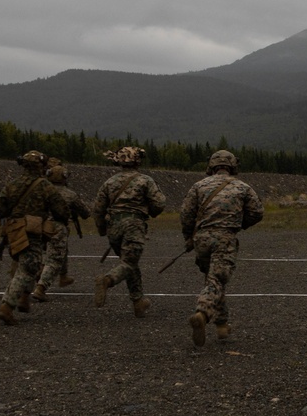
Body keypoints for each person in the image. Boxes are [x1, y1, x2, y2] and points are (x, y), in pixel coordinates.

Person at [184, 150, 264, 347]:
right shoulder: (243, 187)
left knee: (213, 281)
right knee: (217, 280)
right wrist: (240, 224)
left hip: (201, 239)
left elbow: (186, 214)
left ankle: (222, 325)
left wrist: (188, 237)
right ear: (233, 166)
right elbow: (257, 212)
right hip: (225, 238)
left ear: (211, 166)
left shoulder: (198, 186)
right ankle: (202, 313)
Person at [0, 150, 69, 325]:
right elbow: (61, 209)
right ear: (41, 166)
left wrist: (7, 223)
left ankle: (23, 299)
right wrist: (61, 221)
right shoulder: (44, 186)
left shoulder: (12, 184)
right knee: (29, 266)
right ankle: (7, 306)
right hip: (32, 232)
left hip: (13, 231)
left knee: (23, 264)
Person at [92, 146, 166, 317]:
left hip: (114, 228)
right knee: (129, 263)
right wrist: (151, 212)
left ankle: (138, 302)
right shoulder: (145, 181)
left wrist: (103, 229)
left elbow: (98, 209)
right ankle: (107, 280)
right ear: (137, 161)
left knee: (130, 263)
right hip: (134, 225)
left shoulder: (109, 182)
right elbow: (159, 204)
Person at [32, 161, 91, 302]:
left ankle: (28, 287)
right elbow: (85, 213)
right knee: (54, 259)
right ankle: (41, 288)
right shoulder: (70, 194)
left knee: (36, 256)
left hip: (37, 226)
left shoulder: (40, 190)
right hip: (57, 227)